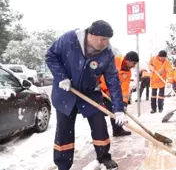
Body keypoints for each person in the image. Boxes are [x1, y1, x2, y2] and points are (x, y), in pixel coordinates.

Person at [46, 20, 125, 170]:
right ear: (91, 35)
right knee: (64, 131)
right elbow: (50, 56)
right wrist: (61, 76)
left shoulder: (107, 54)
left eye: (108, 40)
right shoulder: (69, 39)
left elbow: (113, 81)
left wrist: (118, 109)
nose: (105, 43)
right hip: (65, 93)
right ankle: (63, 164)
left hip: (90, 94)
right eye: (103, 39)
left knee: (99, 125)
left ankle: (104, 157)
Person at [100, 51, 139, 137]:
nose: (134, 66)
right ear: (128, 60)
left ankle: (118, 130)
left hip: (112, 93)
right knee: (104, 113)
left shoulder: (128, 73)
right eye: (134, 63)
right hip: (101, 90)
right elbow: (102, 71)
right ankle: (104, 134)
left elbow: (124, 89)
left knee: (117, 109)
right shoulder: (115, 60)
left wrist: (124, 103)